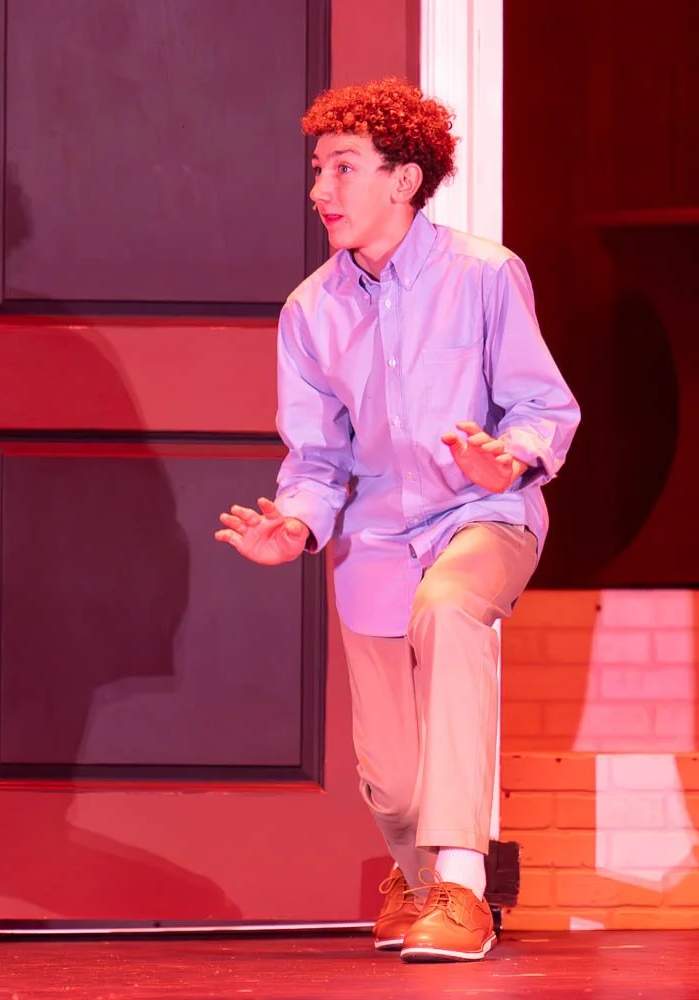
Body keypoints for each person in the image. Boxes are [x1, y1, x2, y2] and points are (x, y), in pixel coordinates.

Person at [215, 77, 580, 963]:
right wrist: (297, 524)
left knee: (448, 610)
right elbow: (318, 459)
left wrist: (507, 456)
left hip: (483, 515)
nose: (321, 190)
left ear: (405, 180)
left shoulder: (485, 275)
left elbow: (544, 405)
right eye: (317, 169)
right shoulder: (311, 311)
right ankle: (417, 879)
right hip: (375, 537)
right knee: (393, 778)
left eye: (344, 168)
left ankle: (462, 889)